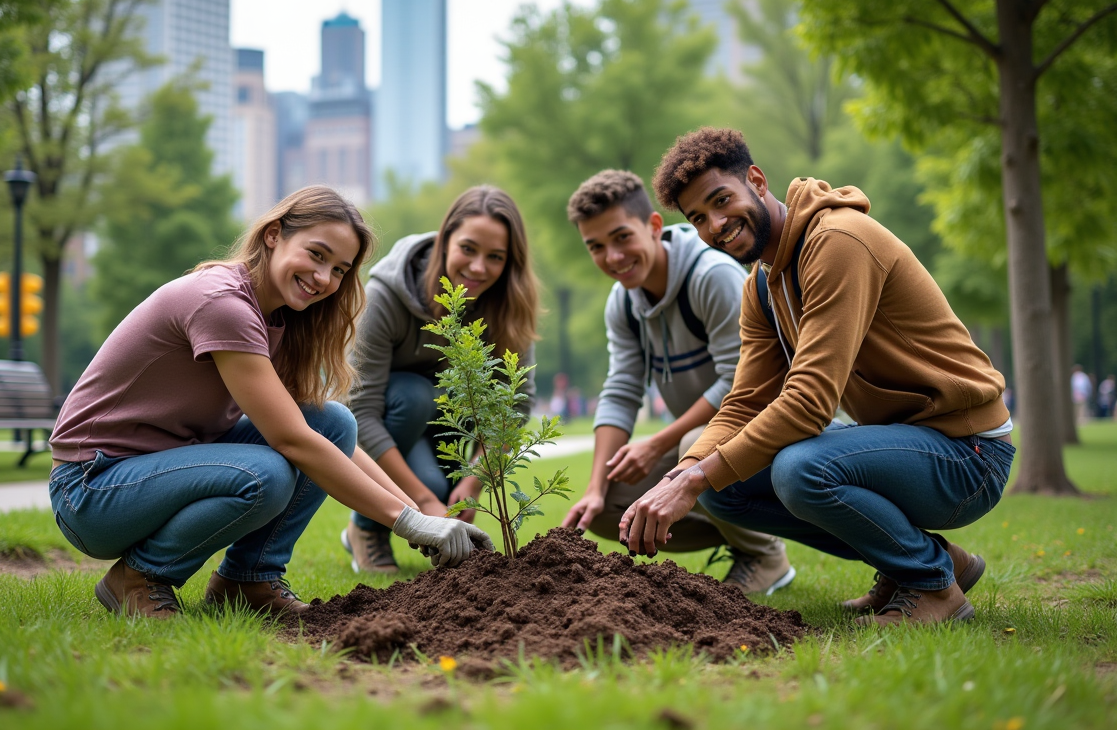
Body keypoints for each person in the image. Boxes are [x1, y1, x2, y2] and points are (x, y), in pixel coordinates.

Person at [620, 128, 1014, 626]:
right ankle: (927, 562)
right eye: (698, 217)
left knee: (799, 469)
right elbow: (745, 402)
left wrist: (694, 478)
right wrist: (682, 477)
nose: (716, 225)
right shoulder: (761, 286)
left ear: (756, 181)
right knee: (720, 485)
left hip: (969, 453)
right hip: (903, 442)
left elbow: (810, 402)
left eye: (721, 201)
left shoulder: (838, 241)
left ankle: (933, 586)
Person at [48, 187, 492, 619]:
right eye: (316, 254)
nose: (324, 279)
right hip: (91, 487)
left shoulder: (279, 316)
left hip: (160, 469)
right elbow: (291, 440)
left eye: (339, 270)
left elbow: (324, 439)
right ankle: (138, 578)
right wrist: (409, 521)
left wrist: (421, 516)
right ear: (274, 234)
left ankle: (248, 580)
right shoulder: (222, 302)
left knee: (334, 422)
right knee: (264, 476)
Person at [560, 170, 795, 595]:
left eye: (621, 237)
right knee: (607, 506)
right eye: (596, 246)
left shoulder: (710, 276)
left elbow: (738, 382)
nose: (613, 257)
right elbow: (621, 390)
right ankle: (744, 535)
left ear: (654, 226)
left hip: (764, 429)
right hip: (705, 439)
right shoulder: (623, 302)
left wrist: (657, 443)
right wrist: (594, 488)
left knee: (692, 445)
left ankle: (765, 555)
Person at [343, 186, 540, 573]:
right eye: (468, 248)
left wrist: (473, 483)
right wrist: (422, 503)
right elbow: (359, 411)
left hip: (447, 426)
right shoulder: (386, 296)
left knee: (439, 485)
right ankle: (365, 528)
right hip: (394, 416)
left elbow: (515, 405)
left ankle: (433, 496)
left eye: (495, 257)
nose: (479, 267)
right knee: (416, 398)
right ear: (445, 240)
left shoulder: (510, 307)